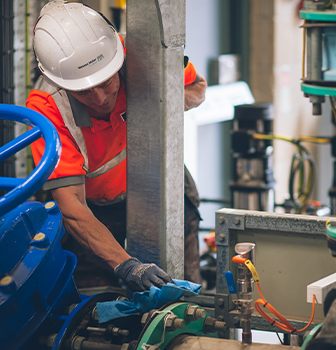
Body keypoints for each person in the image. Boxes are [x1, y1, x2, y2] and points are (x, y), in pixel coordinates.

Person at [26, 1, 207, 292]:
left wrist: (160, 106)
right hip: (97, 209)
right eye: (84, 90)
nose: (100, 98)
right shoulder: (47, 110)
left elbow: (198, 88)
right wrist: (127, 265)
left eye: (106, 81)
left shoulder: (140, 53)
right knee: (94, 301)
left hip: (166, 187)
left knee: (185, 290)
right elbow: (72, 206)